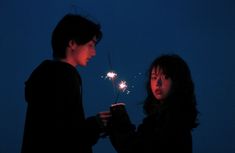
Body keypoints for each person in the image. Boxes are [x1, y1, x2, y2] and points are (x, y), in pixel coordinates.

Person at [21, 13, 110, 153]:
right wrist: (96, 124)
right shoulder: (64, 76)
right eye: (90, 45)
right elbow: (65, 138)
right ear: (72, 43)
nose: (94, 53)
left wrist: (95, 124)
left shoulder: (45, 76)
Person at [107, 54, 199, 153]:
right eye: (154, 77)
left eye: (166, 77)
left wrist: (119, 121)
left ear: (178, 81)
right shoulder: (160, 117)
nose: (158, 83)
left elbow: (136, 149)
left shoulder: (174, 120)